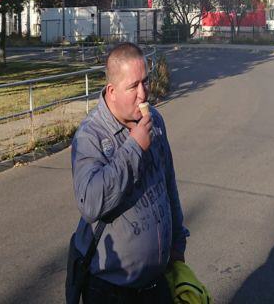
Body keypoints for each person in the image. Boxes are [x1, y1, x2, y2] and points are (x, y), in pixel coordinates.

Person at [69, 42, 188, 303]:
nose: (143, 94)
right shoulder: (90, 136)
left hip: (156, 283)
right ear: (112, 91)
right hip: (111, 289)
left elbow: (168, 183)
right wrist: (134, 147)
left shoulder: (154, 120)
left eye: (146, 82)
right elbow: (90, 203)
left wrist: (178, 242)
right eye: (133, 86)